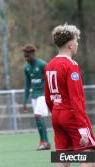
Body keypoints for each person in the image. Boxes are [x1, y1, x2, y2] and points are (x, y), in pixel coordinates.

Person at [45, 23, 95, 167]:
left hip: (56, 114)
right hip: (71, 115)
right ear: (70, 45)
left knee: (63, 155)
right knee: (88, 153)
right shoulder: (71, 65)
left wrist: (56, 111)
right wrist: (83, 129)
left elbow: (48, 96)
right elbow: (76, 98)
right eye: (77, 41)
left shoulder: (49, 65)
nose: (77, 44)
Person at [22, 43, 51, 150]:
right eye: (25, 56)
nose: (26, 58)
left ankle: (44, 141)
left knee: (38, 115)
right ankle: (45, 142)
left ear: (33, 54)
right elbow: (27, 85)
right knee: (38, 117)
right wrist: (24, 101)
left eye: (28, 55)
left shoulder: (43, 65)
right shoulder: (26, 68)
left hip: (43, 94)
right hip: (34, 96)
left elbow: (50, 79)